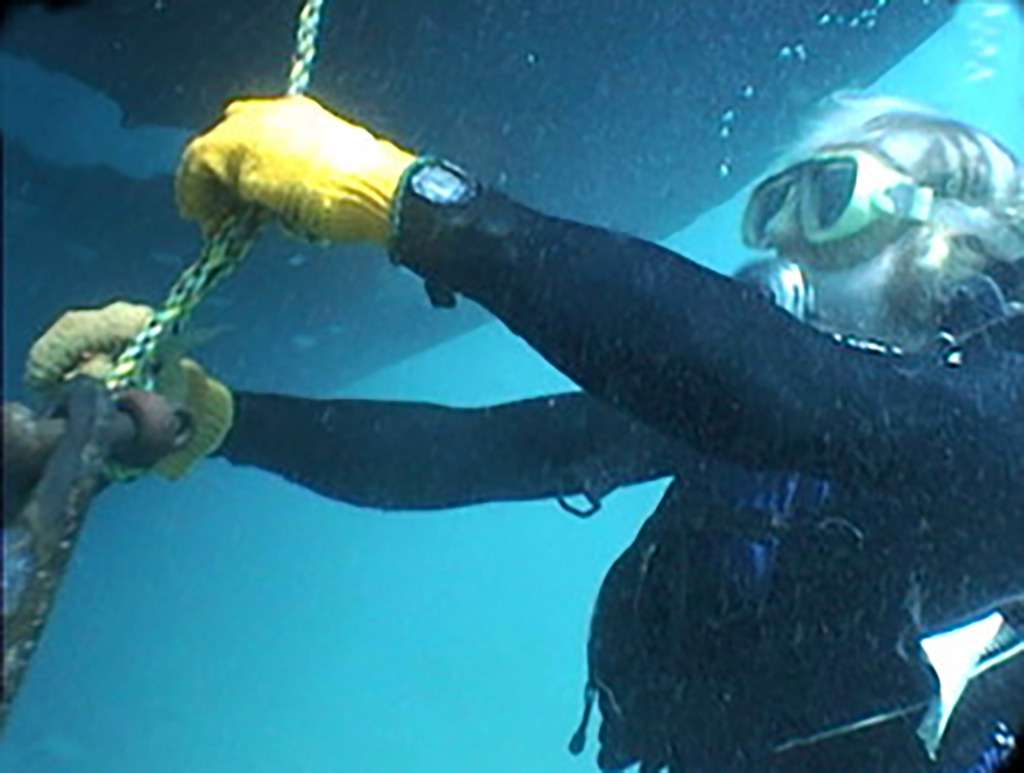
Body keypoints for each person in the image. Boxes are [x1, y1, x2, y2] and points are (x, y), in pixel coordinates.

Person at [22, 94, 1024, 771]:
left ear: (950, 226)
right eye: (769, 211)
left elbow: (805, 396)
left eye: (826, 198)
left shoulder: (996, 403)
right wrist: (224, 420)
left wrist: (424, 208)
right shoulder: (755, 407)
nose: (784, 244)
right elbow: (494, 452)